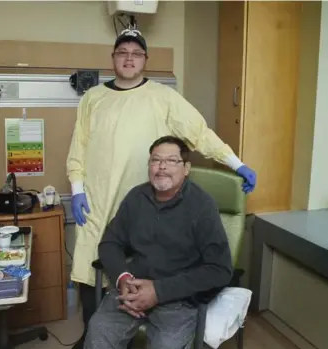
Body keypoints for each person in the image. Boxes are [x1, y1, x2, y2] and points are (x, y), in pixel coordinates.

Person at [66, 28, 256, 348]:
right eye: (122, 52)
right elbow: (78, 148)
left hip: (148, 196)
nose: (129, 58)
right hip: (99, 201)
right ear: (113, 58)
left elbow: (199, 132)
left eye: (136, 53)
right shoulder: (92, 98)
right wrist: (76, 188)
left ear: (145, 60)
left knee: (155, 267)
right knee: (93, 273)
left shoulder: (163, 97)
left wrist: (235, 163)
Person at [84, 136, 233, 349]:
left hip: (177, 298)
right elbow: (109, 243)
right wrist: (123, 279)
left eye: (172, 160)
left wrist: (158, 292)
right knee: (98, 336)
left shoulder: (202, 206)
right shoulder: (136, 198)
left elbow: (220, 269)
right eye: (155, 160)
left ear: (186, 168)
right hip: (132, 289)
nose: (162, 167)